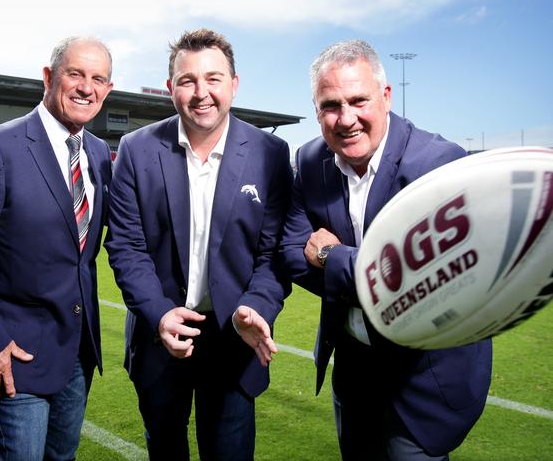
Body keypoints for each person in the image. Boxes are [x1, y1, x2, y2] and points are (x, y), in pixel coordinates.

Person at [280, 39, 493, 460]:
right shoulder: (309, 160)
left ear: (386, 96)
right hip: (353, 370)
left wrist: (331, 257)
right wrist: (381, 273)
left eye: (358, 100)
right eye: (330, 106)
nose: (346, 119)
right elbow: (289, 250)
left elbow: (430, 282)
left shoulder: (439, 164)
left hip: (422, 378)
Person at [104, 28, 292, 460]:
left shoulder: (271, 153)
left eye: (213, 79)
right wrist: (158, 313)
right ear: (171, 88)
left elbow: (273, 254)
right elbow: (127, 247)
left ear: (234, 85)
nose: (201, 93)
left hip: (234, 337)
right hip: (160, 335)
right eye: (187, 81)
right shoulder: (136, 149)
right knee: (165, 450)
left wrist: (257, 307)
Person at [0, 36, 114, 460]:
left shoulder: (101, 154)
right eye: (75, 74)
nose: (86, 87)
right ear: (49, 77)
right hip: (15, 355)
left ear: (107, 90)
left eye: (98, 78)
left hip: (78, 354)